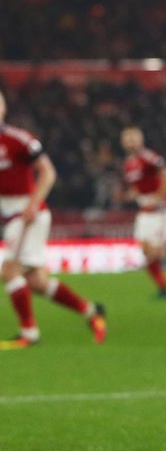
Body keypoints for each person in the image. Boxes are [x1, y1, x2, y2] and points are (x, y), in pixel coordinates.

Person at [0, 91, 106, 349]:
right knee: (36, 282)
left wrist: (34, 202)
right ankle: (92, 311)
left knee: (9, 271)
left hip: (29, 214)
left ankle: (29, 333)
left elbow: (47, 172)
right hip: (11, 217)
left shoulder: (18, 139)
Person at [120, 126, 166, 299]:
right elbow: (138, 188)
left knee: (156, 253)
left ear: (140, 141)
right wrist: (127, 196)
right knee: (146, 251)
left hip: (161, 210)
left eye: (133, 139)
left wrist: (159, 197)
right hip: (145, 211)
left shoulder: (149, 157)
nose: (130, 143)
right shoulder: (128, 164)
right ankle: (164, 289)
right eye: (127, 140)